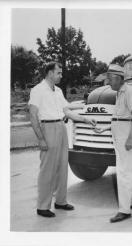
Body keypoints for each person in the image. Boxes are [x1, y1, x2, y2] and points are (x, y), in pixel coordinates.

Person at [28, 62, 96, 218]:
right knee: (47, 170)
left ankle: (60, 201)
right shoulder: (38, 90)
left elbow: (67, 112)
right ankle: (42, 206)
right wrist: (41, 139)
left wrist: (86, 119)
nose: (61, 75)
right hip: (48, 128)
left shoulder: (58, 91)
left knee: (62, 168)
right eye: (59, 72)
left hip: (61, 127)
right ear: (50, 73)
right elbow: (32, 116)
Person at [94, 64, 132, 223]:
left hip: (126, 137)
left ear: (117, 78)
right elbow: (120, 118)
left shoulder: (129, 92)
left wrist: (130, 139)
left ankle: (124, 210)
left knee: (123, 172)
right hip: (121, 135)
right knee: (130, 169)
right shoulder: (119, 93)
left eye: (109, 79)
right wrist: (106, 128)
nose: (108, 82)